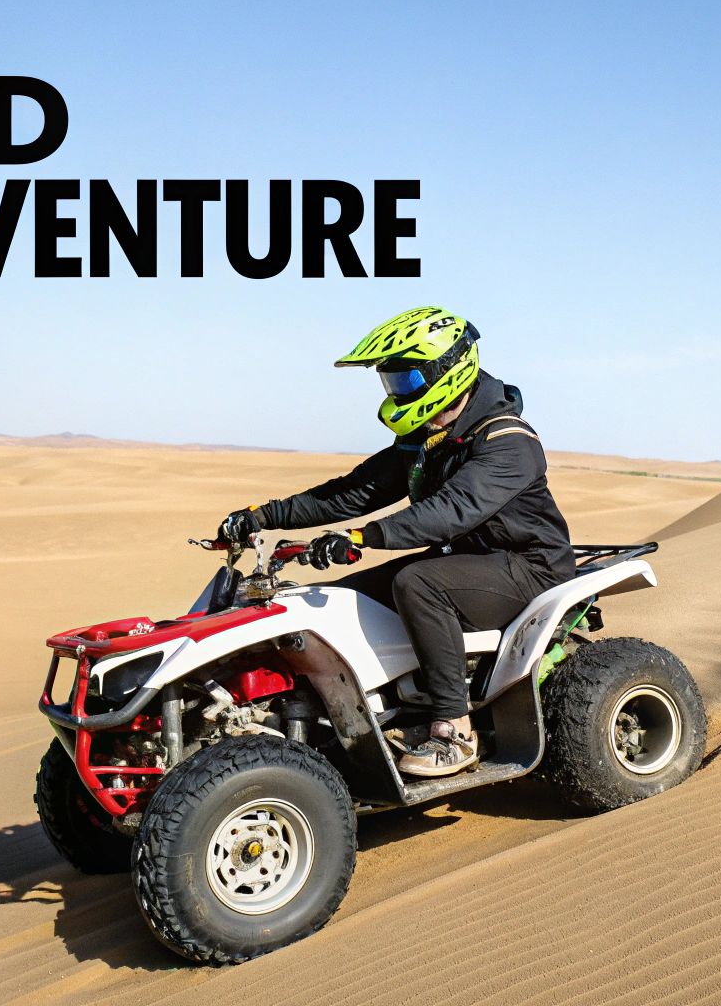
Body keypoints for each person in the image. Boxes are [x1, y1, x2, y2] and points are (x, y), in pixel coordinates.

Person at [216, 307, 573, 778]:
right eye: (390, 382)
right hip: (467, 562)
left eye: (404, 380)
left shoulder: (508, 441)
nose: (395, 392)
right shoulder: (429, 438)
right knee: (342, 597)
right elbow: (353, 492)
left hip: (528, 569)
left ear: (445, 371)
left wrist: (364, 537)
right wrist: (265, 516)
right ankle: (364, 714)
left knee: (418, 583)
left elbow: (449, 512)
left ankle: (454, 729)